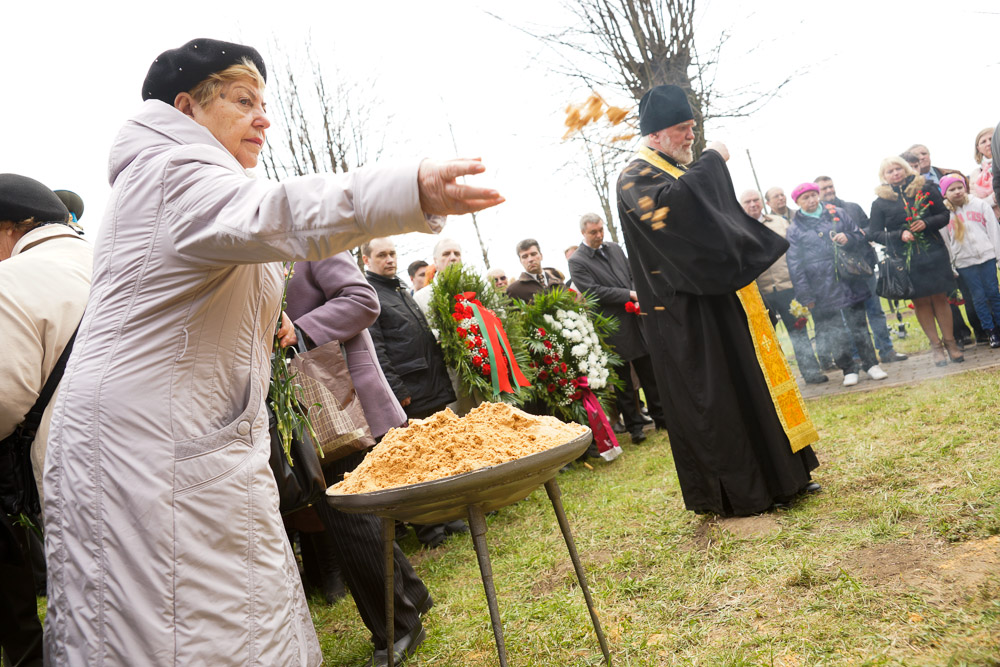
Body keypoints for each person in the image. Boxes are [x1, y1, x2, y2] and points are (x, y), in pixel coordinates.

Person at [42, 38, 503, 667]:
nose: (264, 117)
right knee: (183, 628)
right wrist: (405, 190)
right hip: (153, 449)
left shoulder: (171, 177)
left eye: (265, 102)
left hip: (166, 435)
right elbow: (274, 213)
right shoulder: (172, 172)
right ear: (187, 109)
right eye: (242, 100)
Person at [616, 84, 820, 516]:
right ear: (655, 135)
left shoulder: (670, 168)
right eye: (682, 129)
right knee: (720, 399)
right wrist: (713, 160)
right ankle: (744, 494)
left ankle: (785, 479)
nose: (691, 136)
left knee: (751, 386)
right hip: (686, 317)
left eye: (693, 128)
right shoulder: (635, 177)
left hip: (720, 302)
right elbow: (676, 217)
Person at [285, 251, 436, 663]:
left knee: (347, 515)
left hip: (343, 401)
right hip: (316, 404)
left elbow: (362, 300)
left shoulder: (312, 240)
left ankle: (397, 628)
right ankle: (413, 598)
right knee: (356, 515)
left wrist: (296, 330)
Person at [0, 174, 92, 667]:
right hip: (160, 450)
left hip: (74, 464)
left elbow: (3, 400)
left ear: (10, 228)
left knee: (90, 597)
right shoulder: (107, 254)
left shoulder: (11, 281)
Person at [568, 213, 667, 444]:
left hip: (636, 319)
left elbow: (633, 275)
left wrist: (636, 292)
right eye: (593, 232)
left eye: (601, 230)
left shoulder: (614, 248)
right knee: (623, 382)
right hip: (611, 326)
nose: (599, 235)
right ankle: (634, 427)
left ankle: (661, 417)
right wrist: (628, 294)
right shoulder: (577, 261)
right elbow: (593, 291)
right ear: (583, 233)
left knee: (649, 373)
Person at [785, 183, 888, 387]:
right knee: (833, 330)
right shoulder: (795, 229)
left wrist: (848, 238)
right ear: (797, 202)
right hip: (820, 286)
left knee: (858, 323)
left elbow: (860, 236)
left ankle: (871, 364)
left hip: (849, 278)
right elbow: (795, 264)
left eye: (814, 195)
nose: (811, 200)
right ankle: (848, 368)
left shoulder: (837, 213)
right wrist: (806, 295)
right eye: (805, 198)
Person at [869, 155, 960, 366]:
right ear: (884, 176)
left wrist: (925, 223)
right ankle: (936, 347)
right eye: (889, 171)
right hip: (906, 259)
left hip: (934, 253)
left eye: (898, 169)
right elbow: (874, 233)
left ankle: (951, 343)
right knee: (921, 302)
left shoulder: (925, 188)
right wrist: (898, 234)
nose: (895, 173)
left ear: (906, 169)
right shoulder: (880, 202)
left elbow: (944, 215)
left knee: (940, 298)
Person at [814, 176, 907, 364]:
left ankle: (886, 351)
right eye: (824, 188)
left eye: (830, 186)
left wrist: (852, 235)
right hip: (840, 274)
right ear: (817, 193)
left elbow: (869, 228)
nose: (829, 190)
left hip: (863, 267)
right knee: (850, 317)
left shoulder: (852, 207)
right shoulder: (818, 218)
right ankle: (858, 357)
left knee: (875, 311)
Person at [738, 189, 826, 384]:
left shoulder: (779, 222)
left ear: (762, 202)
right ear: (741, 205)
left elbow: (796, 251)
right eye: (747, 202)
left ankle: (811, 373)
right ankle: (775, 378)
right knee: (766, 338)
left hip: (788, 287)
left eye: (756, 200)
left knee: (799, 331)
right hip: (761, 292)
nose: (752, 204)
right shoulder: (738, 227)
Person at [938, 175, 1000, 348]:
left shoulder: (980, 205)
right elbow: (945, 241)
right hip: (965, 263)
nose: (957, 191)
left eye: (960, 187)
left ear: (965, 187)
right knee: (978, 297)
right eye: (952, 189)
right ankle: (990, 331)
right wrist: (951, 264)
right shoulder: (944, 214)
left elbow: (994, 229)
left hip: (987, 256)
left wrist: (998, 255)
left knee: (994, 293)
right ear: (944, 193)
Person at [412, 237, 462, 314]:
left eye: (457, 254)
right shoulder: (420, 298)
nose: (453, 258)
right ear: (435, 261)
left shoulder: (476, 289)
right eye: (446, 254)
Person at [969, 127, 998, 215]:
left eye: (991, 139)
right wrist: (994, 198)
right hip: (993, 221)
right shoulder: (975, 174)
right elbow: (975, 204)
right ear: (979, 148)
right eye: (983, 141)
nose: (989, 143)